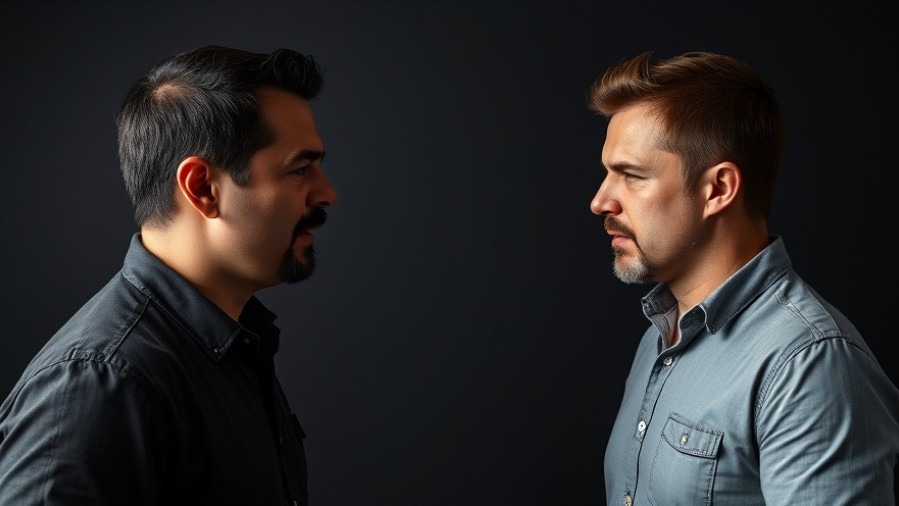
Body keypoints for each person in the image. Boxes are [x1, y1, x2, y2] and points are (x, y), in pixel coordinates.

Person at [0, 45, 337, 505]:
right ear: (202, 188)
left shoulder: (229, 347)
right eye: (300, 170)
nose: (327, 193)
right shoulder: (101, 382)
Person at [588, 50, 899, 505]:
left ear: (718, 189)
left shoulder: (808, 365)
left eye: (631, 175)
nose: (601, 202)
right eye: (607, 174)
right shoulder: (661, 335)